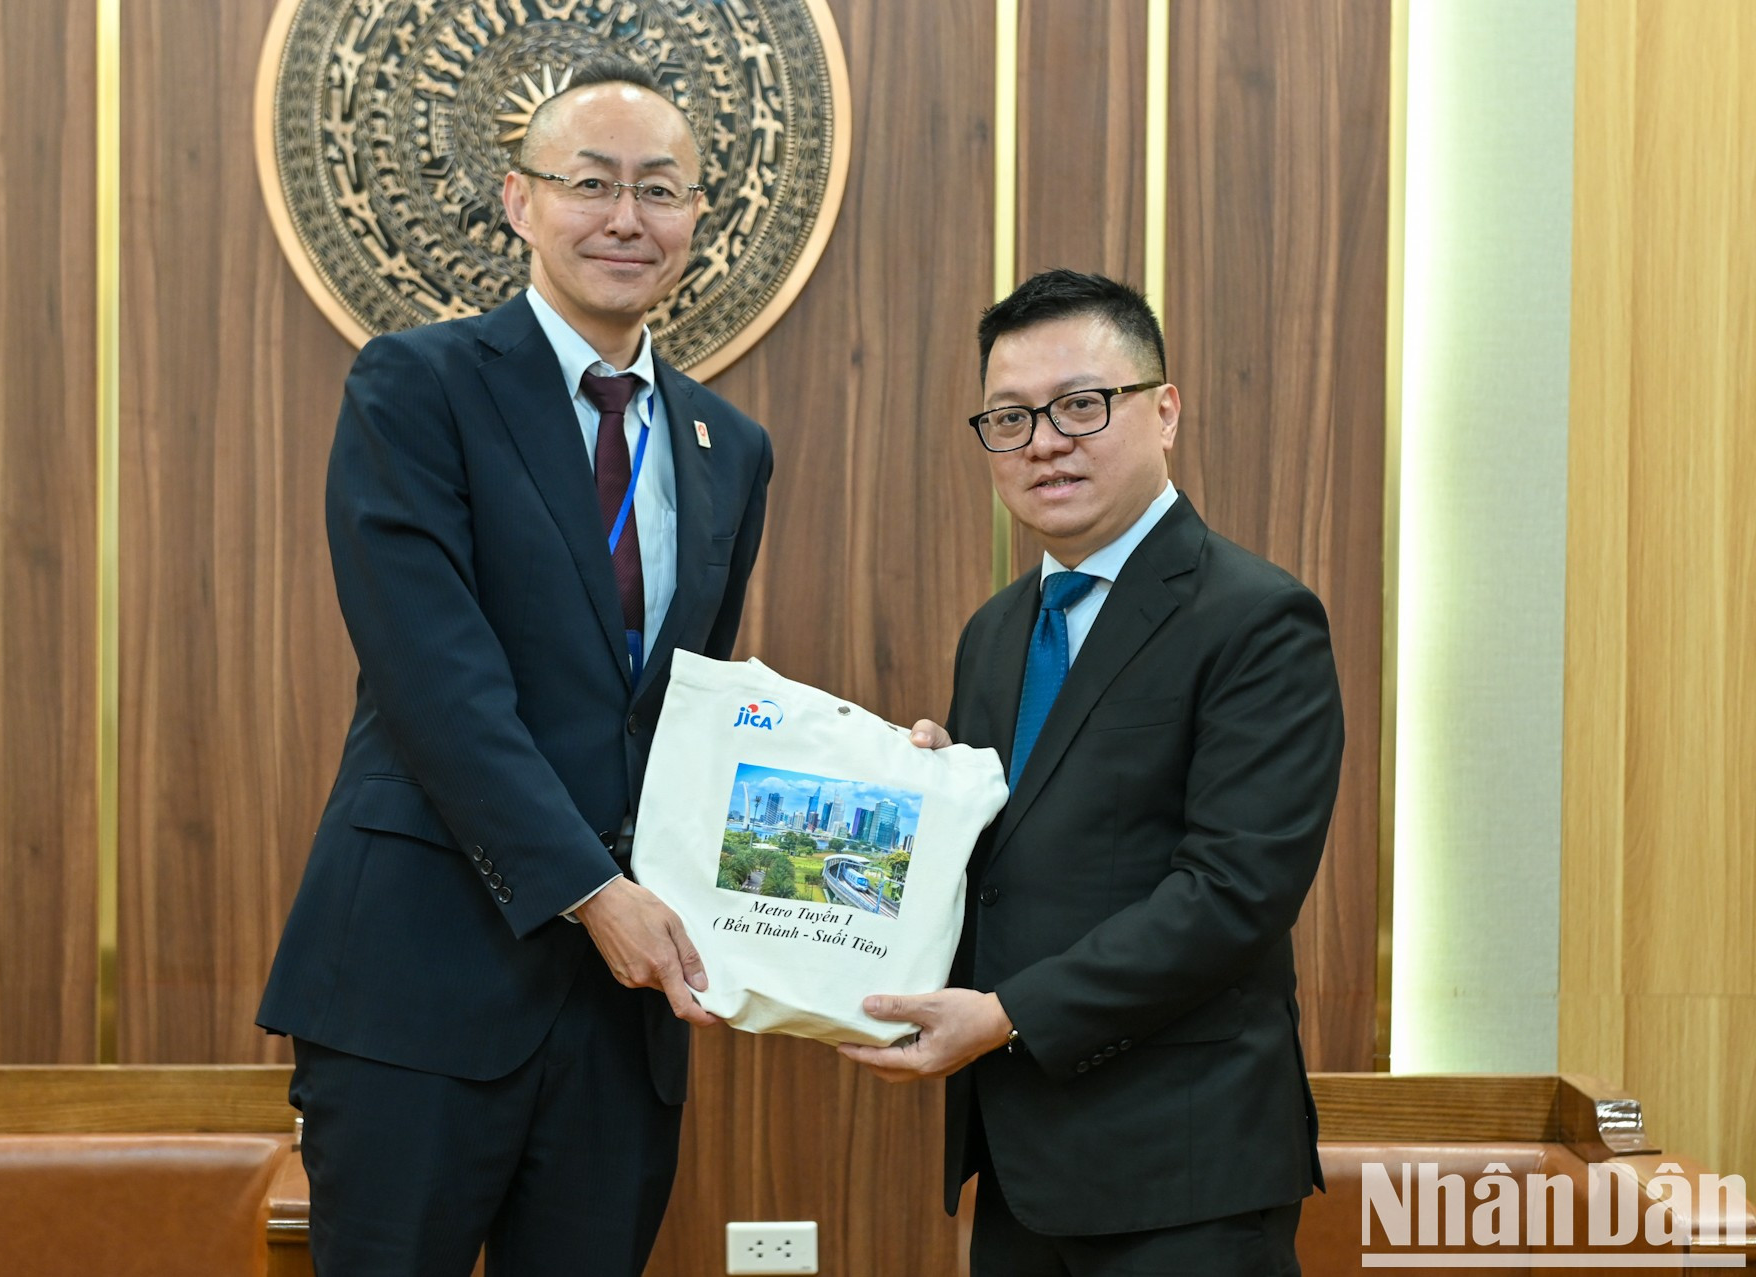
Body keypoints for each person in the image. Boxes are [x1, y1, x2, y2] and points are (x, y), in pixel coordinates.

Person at [257, 59, 773, 1277]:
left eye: (660, 189)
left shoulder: (729, 445)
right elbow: (439, 683)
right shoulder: (417, 385)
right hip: (418, 984)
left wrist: (860, 767)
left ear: (697, 215)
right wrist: (595, 894)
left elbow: (684, 712)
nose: (626, 217)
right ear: (518, 200)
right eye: (590, 183)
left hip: (620, 1022)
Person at [841, 269, 1343, 1276]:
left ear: (1163, 411)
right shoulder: (995, 631)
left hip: (1185, 1169)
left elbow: (1232, 894)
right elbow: (1015, 860)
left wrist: (1006, 1013)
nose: (1043, 442)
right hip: (1023, 1159)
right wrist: (933, 808)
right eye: (1011, 417)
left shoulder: (1255, 617)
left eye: (1081, 405)